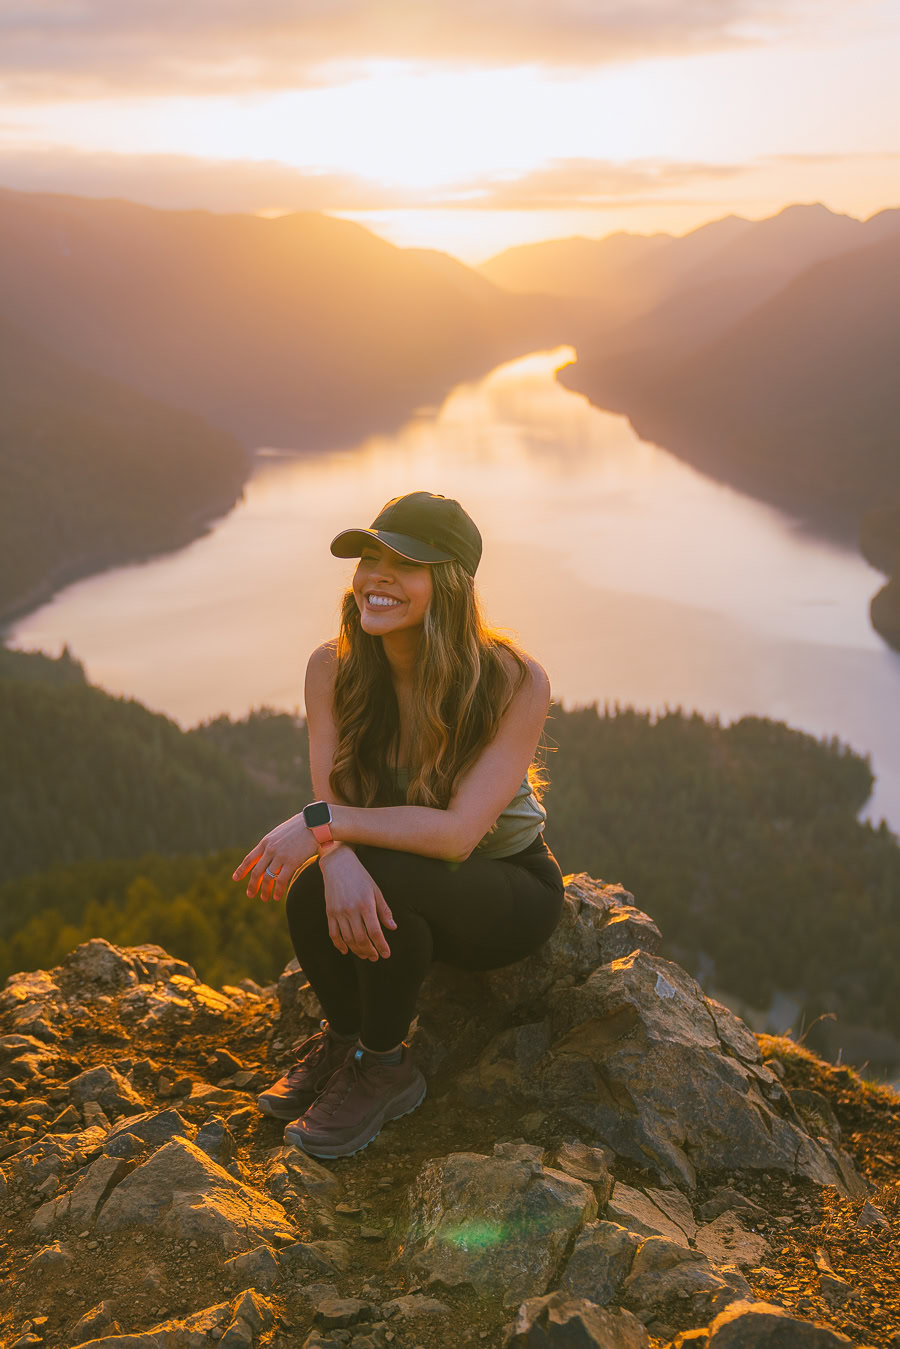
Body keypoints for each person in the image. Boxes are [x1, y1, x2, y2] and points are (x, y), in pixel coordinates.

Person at [232, 490, 566, 1159]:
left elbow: (458, 835)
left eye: (404, 563)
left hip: (503, 891)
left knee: (377, 877)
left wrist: (319, 823)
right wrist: (330, 848)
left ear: (448, 584)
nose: (375, 576)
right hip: (410, 886)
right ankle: (349, 1039)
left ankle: (383, 1066)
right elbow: (333, 795)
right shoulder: (332, 668)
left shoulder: (513, 680)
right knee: (312, 891)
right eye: (369, 557)